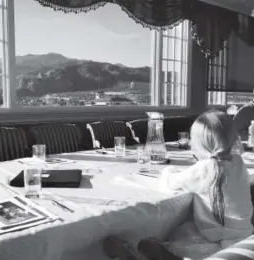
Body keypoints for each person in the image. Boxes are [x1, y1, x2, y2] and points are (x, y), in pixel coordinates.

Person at [103, 110, 253, 260]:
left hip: (218, 241)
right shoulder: (238, 162)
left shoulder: (206, 168)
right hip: (243, 236)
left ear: (200, 144)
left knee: (177, 241)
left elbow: (172, 182)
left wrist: (169, 170)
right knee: (183, 233)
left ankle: (136, 254)